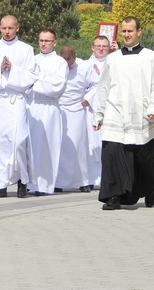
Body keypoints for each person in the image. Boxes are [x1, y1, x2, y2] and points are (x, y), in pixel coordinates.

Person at [93, 16, 154, 210]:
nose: (126, 34)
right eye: (124, 31)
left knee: (143, 159)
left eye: (130, 31)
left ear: (139, 32)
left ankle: (149, 187)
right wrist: (98, 114)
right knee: (113, 155)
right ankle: (113, 197)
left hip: (143, 114)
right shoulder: (113, 58)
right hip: (116, 112)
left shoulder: (150, 57)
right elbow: (103, 87)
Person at [0, 15, 38, 198]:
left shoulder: (26, 49)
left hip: (16, 99)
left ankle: (22, 181)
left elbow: (31, 76)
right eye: (4, 28)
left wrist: (13, 69)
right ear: (0, 28)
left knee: (19, 141)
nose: (7, 32)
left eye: (11, 28)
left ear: (17, 28)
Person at [26, 29, 67, 196]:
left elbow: (57, 87)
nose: (43, 44)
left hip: (49, 108)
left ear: (54, 42)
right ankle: (30, 182)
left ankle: (46, 185)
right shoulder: (32, 60)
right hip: (32, 107)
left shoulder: (60, 62)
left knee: (48, 147)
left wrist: (35, 82)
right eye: (41, 40)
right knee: (30, 147)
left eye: (47, 41)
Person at [56, 45, 94, 193]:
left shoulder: (85, 66)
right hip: (57, 107)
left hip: (76, 108)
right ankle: (57, 182)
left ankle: (82, 181)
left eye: (70, 63)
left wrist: (88, 98)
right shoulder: (54, 64)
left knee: (78, 146)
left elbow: (96, 84)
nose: (68, 66)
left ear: (75, 57)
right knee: (57, 146)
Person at [83, 35, 112, 188]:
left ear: (109, 48)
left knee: (105, 144)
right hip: (89, 111)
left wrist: (100, 78)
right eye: (98, 46)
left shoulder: (113, 64)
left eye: (104, 46)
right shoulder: (85, 65)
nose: (101, 49)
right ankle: (89, 178)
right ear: (92, 47)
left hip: (108, 111)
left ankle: (105, 178)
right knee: (90, 144)